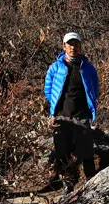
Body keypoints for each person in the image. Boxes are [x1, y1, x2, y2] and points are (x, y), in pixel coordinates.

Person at [42, 32, 100, 189]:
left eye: (76, 44)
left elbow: (95, 88)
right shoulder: (55, 67)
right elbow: (48, 89)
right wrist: (55, 107)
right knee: (62, 150)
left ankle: (92, 183)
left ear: (80, 46)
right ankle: (65, 184)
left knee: (86, 150)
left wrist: (91, 105)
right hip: (62, 115)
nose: (73, 47)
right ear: (64, 46)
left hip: (82, 114)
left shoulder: (88, 67)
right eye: (70, 44)